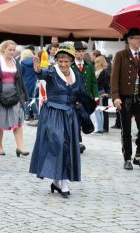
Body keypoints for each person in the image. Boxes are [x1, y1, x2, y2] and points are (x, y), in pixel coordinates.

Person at [29, 44, 87, 198]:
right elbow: (42, 74)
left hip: (70, 115)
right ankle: (63, 182)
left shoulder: (77, 76)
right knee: (57, 144)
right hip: (53, 114)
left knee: (67, 147)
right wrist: (37, 70)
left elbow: (81, 92)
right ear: (56, 61)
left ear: (72, 61)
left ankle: (57, 181)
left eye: (66, 61)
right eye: (60, 60)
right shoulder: (52, 72)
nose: (63, 64)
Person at [111, 28, 140, 170]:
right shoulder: (121, 55)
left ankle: (139, 155)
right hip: (125, 97)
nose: (139, 40)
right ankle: (127, 158)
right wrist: (116, 97)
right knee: (127, 129)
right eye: (136, 38)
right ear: (129, 40)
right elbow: (114, 78)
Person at [0, 40, 29, 157]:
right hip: (0, 95)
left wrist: (25, 95)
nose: (13, 52)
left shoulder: (16, 63)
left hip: (15, 95)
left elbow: (20, 81)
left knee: (18, 121)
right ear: (3, 49)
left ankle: (20, 147)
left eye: (14, 50)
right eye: (10, 49)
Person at [72, 41, 99, 153]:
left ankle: (77, 140)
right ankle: (78, 142)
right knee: (76, 119)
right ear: (74, 53)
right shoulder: (71, 65)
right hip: (74, 97)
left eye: (82, 52)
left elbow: (93, 82)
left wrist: (96, 95)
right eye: (78, 52)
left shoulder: (89, 65)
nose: (81, 54)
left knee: (83, 118)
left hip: (86, 98)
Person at [20, 49, 38, 121]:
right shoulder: (35, 62)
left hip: (25, 83)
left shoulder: (22, 64)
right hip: (35, 82)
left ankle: (26, 115)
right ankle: (36, 114)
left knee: (27, 99)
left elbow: (21, 75)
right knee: (33, 99)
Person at [94, 55, 110, 133]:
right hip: (96, 91)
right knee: (98, 110)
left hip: (100, 92)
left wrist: (107, 93)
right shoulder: (97, 71)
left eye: (96, 62)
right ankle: (99, 127)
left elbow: (106, 84)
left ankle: (100, 128)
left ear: (100, 63)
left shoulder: (104, 72)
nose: (95, 63)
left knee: (98, 110)